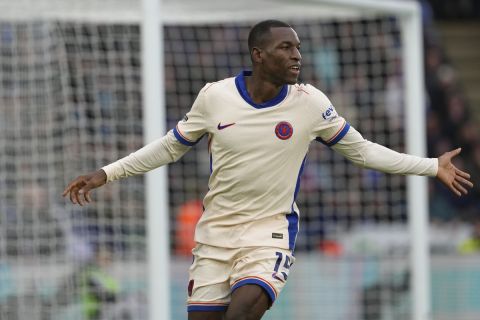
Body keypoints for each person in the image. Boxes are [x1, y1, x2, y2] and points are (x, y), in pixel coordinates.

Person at [63, 20, 473, 320]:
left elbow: (362, 151)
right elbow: (170, 147)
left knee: (243, 310)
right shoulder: (215, 97)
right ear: (258, 55)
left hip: (269, 231)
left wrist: (429, 166)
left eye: (297, 47)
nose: (296, 55)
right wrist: (107, 173)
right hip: (216, 235)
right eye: (284, 48)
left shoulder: (309, 103)